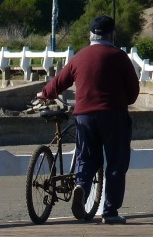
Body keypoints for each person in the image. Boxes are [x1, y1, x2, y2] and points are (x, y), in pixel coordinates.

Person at [37, 15, 140, 225]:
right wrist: (123, 101)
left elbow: (59, 82)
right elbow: (133, 93)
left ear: (90, 35)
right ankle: (110, 212)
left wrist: (44, 93)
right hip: (113, 116)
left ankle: (81, 186)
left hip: (84, 116)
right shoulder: (119, 57)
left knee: (86, 156)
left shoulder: (80, 57)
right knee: (116, 163)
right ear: (112, 34)